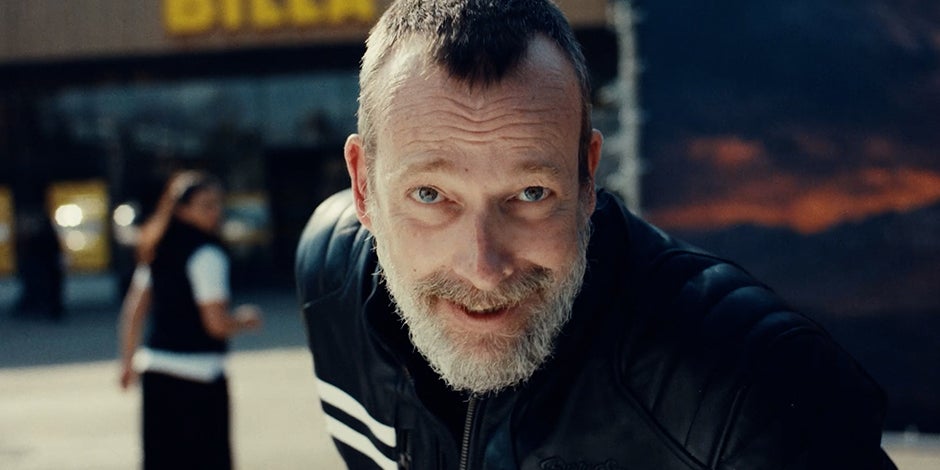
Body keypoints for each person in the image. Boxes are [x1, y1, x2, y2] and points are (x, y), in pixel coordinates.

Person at [295, 1, 897, 468]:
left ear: (588, 180)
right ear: (364, 187)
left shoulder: (755, 391)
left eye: (531, 193)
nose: (483, 265)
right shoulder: (330, 277)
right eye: (431, 195)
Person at [118, 170, 262, 470]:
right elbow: (215, 324)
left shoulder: (157, 252)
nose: (215, 211)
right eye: (206, 205)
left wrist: (128, 362)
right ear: (183, 210)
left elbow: (134, 311)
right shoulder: (208, 255)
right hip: (200, 378)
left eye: (218, 203)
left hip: (156, 372)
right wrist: (244, 321)